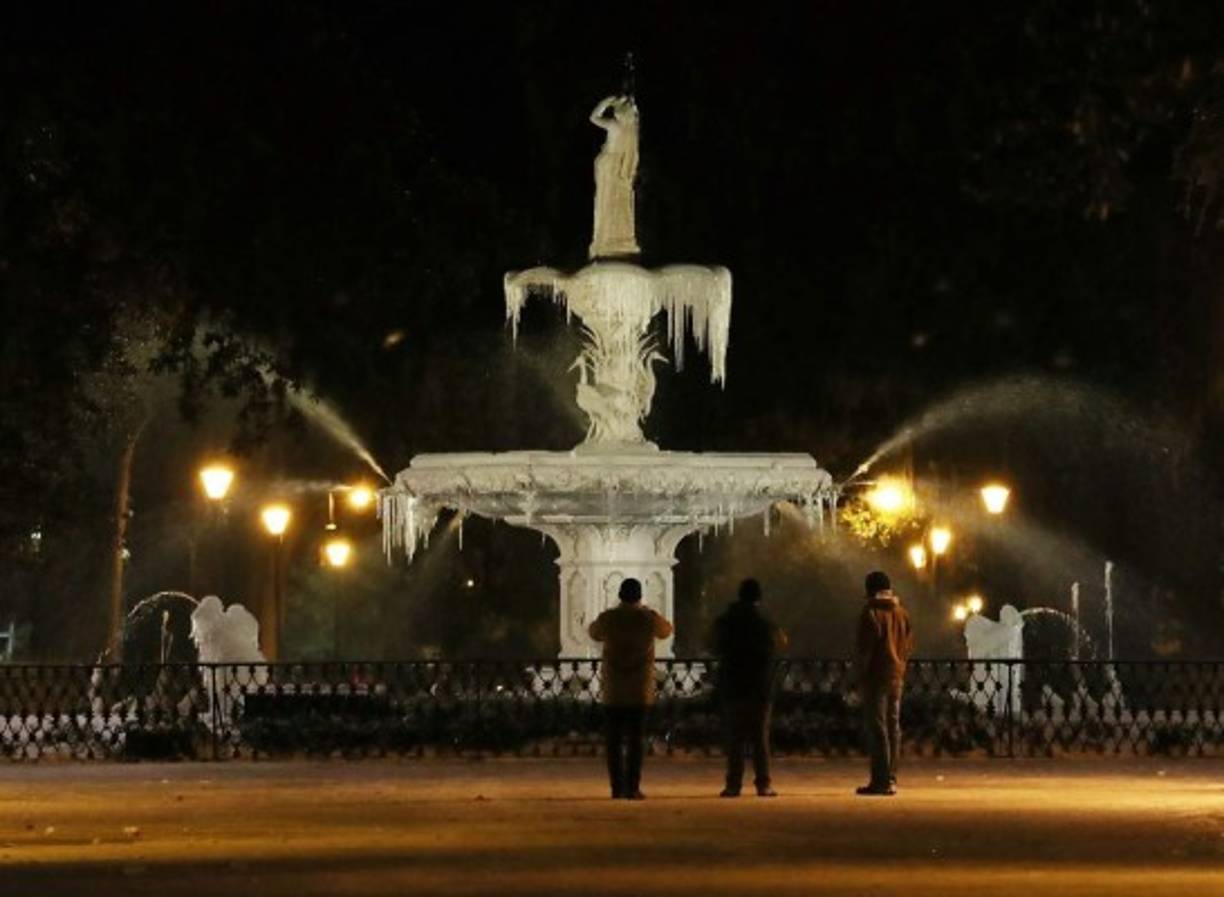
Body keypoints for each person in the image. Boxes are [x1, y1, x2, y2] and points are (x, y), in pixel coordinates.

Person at [588, 577, 673, 800]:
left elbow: (593, 632)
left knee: (614, 742)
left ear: (620, 595)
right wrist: (649, 610)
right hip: (639, 688)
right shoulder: (646, 618)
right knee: (636, 742)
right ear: (639, 595)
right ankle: (633, 787)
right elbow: (666, 630)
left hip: (615, 688)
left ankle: (617, 787)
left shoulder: (610, 618)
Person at [710, 578, 788, 797]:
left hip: (733, 683)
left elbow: (712, 644)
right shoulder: (765, 623)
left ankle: (733, 784)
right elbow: (781, 643)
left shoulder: (726, 621)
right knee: (759, 738)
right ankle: (763, 783)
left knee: (734, 737)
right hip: (759, 685)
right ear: (758, 598)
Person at [854, 570, 914, 796]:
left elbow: (865, 651)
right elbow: (909, 645)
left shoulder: (870, 614)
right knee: (893, 727)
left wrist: (857, 676)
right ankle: (891, 778)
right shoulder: (902, 613)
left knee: (877, 728)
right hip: (897, 675)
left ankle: (879, 780)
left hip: (876, 677)